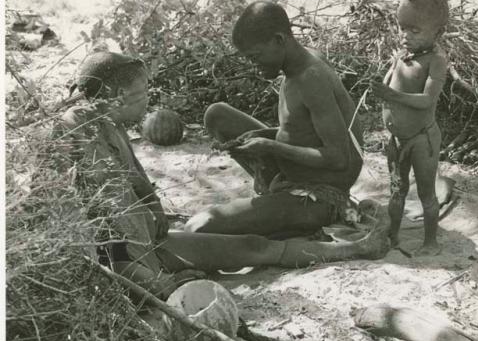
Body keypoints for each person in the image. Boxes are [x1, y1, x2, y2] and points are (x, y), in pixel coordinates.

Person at [57, 50, 388, 299]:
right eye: (144, 92)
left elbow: (136, 178)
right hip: (131, 260)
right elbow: (101, 237)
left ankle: (346, 245)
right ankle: (341, 244)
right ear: (119, 97)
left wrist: (155, 209)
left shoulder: (107, 123)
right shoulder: (80, 133)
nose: (148, 101)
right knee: (240, 249)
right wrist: (156, 283)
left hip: (151, 244)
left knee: (251, 245)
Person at [184, 1, 366, 241]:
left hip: (320, 195)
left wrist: (270, 146)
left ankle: (298, 219)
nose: (253, 64)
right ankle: (274, 207)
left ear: (279, 40)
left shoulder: (311, 78)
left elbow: (338, 158)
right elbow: (304, 130)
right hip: (292, 175)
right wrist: (265, 136)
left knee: (201, 226)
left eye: (255, 56)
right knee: (217, 115)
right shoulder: (296, 66)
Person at [369, 0, 449, 256]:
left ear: (437, 33)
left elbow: (427, 100)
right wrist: (385, 82)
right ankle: (392, 235)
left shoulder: (437, 61)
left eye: (415, 31)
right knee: (396, 189)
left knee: (426, 194)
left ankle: (430, 242)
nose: (406, 36)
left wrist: (391, 95)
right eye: (402, 28)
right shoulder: (403, 54)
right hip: (397, 138)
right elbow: (389, 81)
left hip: (421, 139)